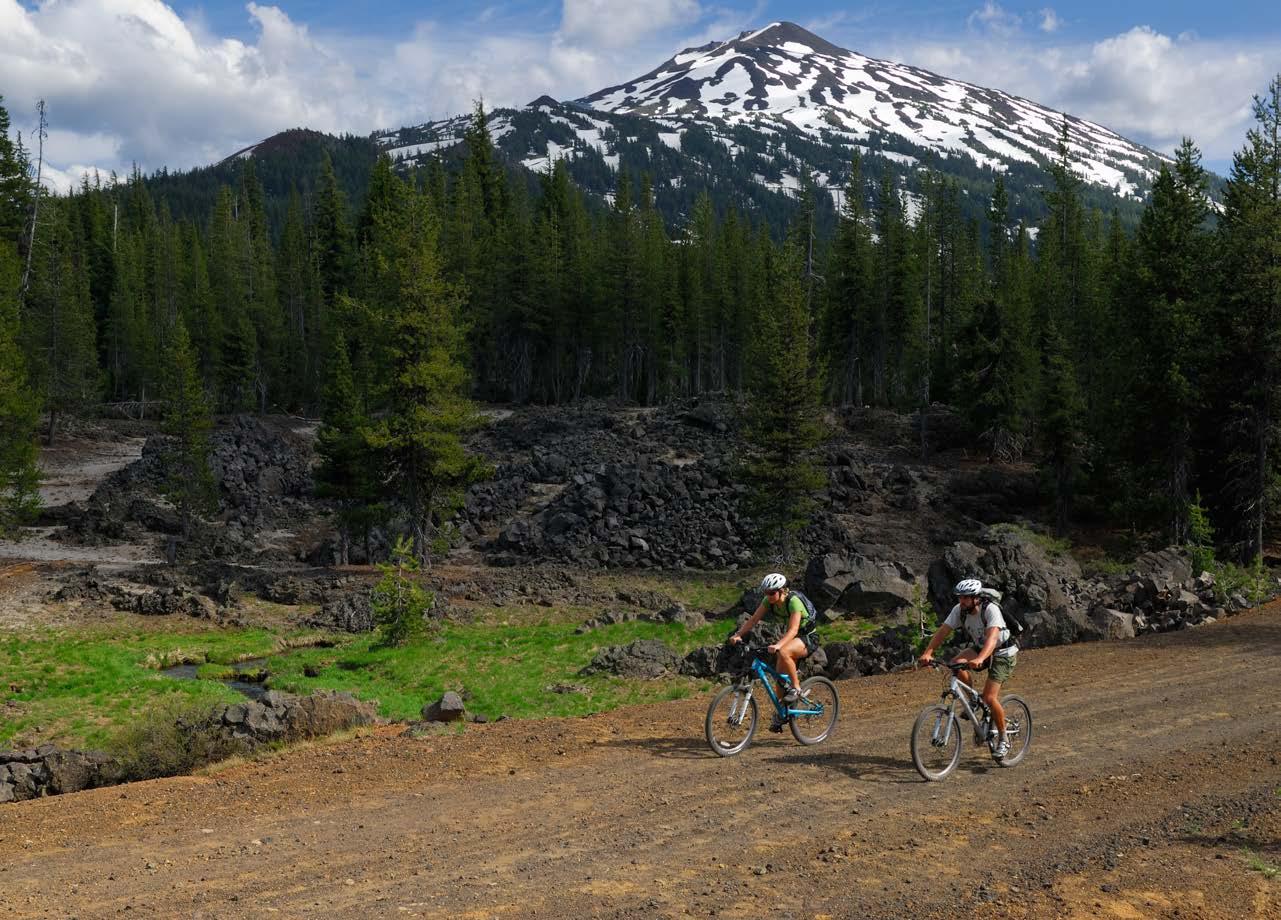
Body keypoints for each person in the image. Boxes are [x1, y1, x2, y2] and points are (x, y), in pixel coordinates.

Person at [917, 577, 1019, 759]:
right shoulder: (959, 610)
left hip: (1003, 652)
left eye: (966, 597)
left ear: (976, 598)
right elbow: (943, 631)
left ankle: (1004, 739)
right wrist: (928, 652)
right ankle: (973, 700)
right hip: (981, 648)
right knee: (956, 663)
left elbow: (992, 638)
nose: (961, 601)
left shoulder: (990, 609)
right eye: (960, 597)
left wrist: (980, 658)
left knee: (989, 697)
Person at [728, 573, 819, 708]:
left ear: (782, 591)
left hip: (808, 638)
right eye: (766, 592)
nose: (768, 596)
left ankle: (796, 688)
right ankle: (782, 713)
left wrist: (778, 645)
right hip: (792, 639)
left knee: (783, 651)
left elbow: (793, 630)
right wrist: (738, 634)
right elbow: (754, 619)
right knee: (780, 679)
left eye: (771, 593)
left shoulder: (794, 602)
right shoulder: (768, 601)